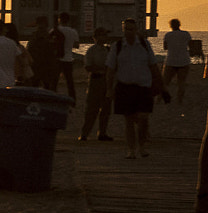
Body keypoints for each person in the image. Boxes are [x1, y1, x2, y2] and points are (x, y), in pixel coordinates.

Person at [108, 18, 159, 159]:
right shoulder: (117, 46)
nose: (129, 32)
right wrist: (109, 88)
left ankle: (142, 146)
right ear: (123, 30)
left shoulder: (144, 44)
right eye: (126, 29)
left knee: (143, 118)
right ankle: (131, 149)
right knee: (129, 120)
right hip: (125, 86)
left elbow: (153, 65)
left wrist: (159, 82)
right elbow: (110, 69)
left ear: (136, 30)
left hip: (143, 86)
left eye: (131, 29)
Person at [79, 28, 115, 142]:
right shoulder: (92, 50)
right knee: (91, 109)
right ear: (97, 37)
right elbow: (88, 67)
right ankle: (85, 133)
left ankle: (102, 133)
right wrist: (101, 69)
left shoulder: (108, 50)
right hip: (96, 80)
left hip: (107, 81)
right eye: (103, 35)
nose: (105, 37)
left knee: (106, 109)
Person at [163, 18, 192, 108]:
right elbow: (190, 46)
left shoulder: (168, 35)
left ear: (171, 26)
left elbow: (165, 47)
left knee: (165, 82)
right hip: (184, 60)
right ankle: (179, 100)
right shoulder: (186, 34)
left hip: (171, 60)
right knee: (181, 83)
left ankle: (160, 99)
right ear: (179, 25)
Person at [27, 16, 61, 90]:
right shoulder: (50, 37)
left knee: (34, 88)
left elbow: (29, 50)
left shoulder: (34, 36)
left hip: (36, 66)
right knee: (48, 88)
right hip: (47, 67)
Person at [55, 13, 81, 100]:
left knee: (54, 81)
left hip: (57, 59)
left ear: (59, 19)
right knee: (70, 81)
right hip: (68, 59)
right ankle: (72, 99)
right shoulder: (73, 31)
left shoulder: (55, 30)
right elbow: (77, 45)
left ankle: (52, 98)